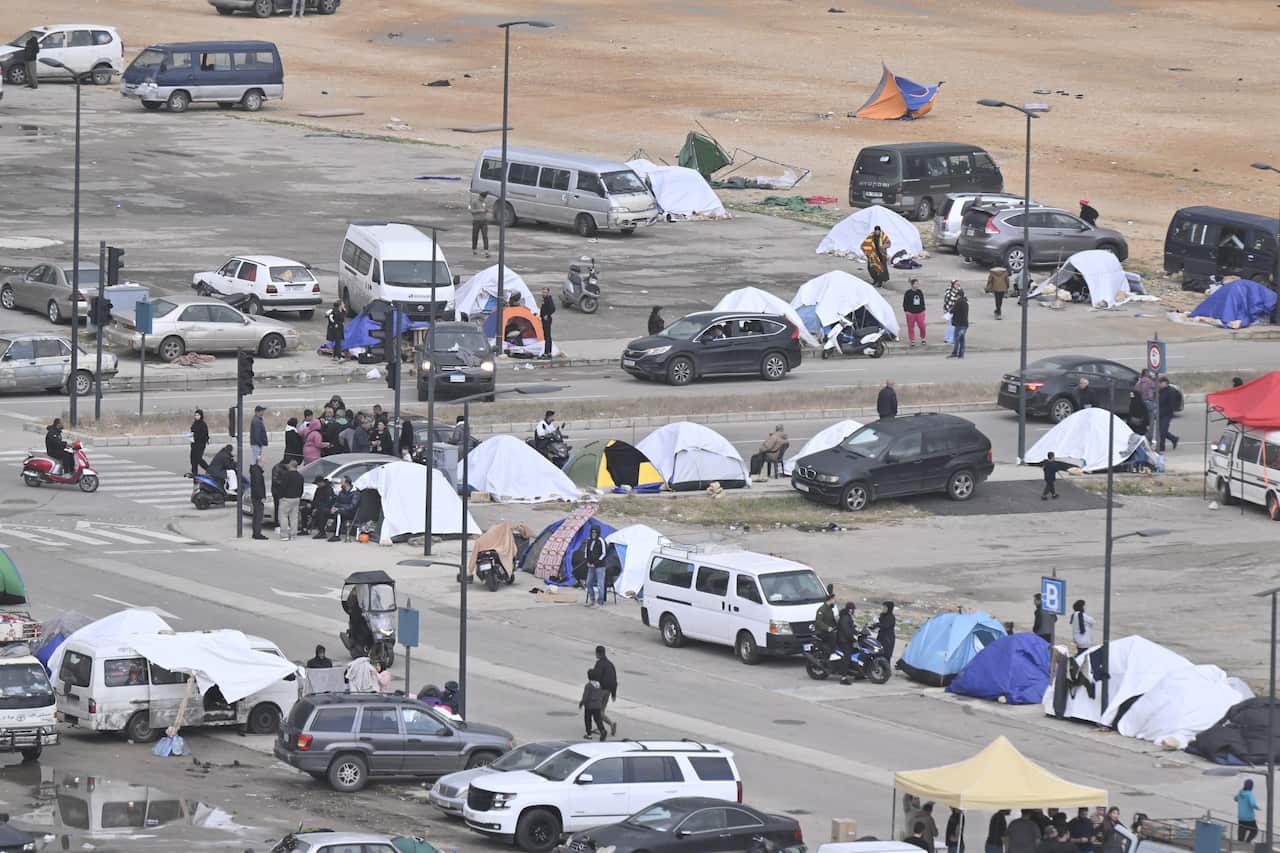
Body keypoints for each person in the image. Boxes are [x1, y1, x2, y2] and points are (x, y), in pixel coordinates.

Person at [589, 645, 619, 737]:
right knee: (602, 710)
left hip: (601, 690)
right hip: (609, 691)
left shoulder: (599, 664)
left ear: (598, 653)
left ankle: (611, 724)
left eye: (596, 653)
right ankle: (601, 726)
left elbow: (596, 677)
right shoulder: (610, 664)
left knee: (597, 711)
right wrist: (613, 694)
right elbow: (614, 680)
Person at [277, 460, 304, 541]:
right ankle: (293, 535)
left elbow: (282, 487)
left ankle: (284, 535)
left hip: (286, 498)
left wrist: (280, 496)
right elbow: (301, 488)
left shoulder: (286, 475)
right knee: (294, 518)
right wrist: (299, 496)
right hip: (296, 498)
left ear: (291, 465)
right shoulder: (300, 476)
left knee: (283, 516)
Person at [582, 526, 608, 607]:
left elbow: (604, 553)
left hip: (600, 566)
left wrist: (596, 563)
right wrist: (587, 561)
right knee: (588, 583)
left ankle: (599, 602)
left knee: (600, 584)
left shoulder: (601, 541)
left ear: (598, 533)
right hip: (591, 566)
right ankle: (592, 600)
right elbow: (586, 552)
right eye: (592, 532)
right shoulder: (589, 540)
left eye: (595, 532)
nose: (593, 534)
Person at [578, 670, 607, 741]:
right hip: (597, 705)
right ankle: (602, 730)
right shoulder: (599, 685)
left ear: (588, 677)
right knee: (598, 719)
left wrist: (581, 703)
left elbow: (585, 696)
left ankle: (589, 734)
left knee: (588, 719)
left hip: (589, 706)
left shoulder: (588, 686)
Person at [328, 477, 359, 542]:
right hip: (341, 509)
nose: (340, 483)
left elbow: (352, 506)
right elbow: (337, 501)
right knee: (325, 511)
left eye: (342, 482)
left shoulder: (355, 493)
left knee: (338, 513)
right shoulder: (342, 491)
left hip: (350, 512)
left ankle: (336, 535)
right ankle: (323, 531)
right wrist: (333, 507)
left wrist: (339, 508)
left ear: (347, 483)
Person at [836, 601, 857, 685]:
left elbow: (851, 628)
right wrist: (852, 638)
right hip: (843, 641)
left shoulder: (847, 617)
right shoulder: (845, 618)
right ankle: (843, 677)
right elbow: (846, 631)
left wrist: (857, 632)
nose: (854, 611)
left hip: (846, 639)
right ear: (850, 610)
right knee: (847, 657)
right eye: (853, 609)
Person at [1157, 377, 1179, 451]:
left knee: (1163, 431)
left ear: (1165, 383)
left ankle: (1162, 447)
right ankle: (1174, 439)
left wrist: (1169, 413)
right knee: (1161, 431)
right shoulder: (1160, 390)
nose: (1159, 384)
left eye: (1161, 383)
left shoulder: (1171, 391)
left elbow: (1171, 404)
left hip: (1167, 414)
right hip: (1160, 413)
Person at [903, 278, 927, 346]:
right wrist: (906, 311)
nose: (917, 285)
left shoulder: (919, 292)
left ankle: (923, 338)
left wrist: (923, 309)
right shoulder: (908, 292)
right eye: (915, 284)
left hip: (920, 312)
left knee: (922, 326)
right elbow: (905, 302)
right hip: (911, 313)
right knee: (910, 327)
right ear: (912, 285)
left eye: (917, 284)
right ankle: (912, 340)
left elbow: (922, 301)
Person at [1134, 369, 1157, 441]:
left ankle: (1142, 436)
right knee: (1151, 421)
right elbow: (1152, 392)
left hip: (1141, 403)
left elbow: (1136, 391)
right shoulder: (1150, 382)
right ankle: (1149, 437)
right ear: (1147, 374)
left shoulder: (1139, 382)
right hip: (1149, 402)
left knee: (1143, 420)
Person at [469, 191, 492, 256]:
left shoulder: (485, 202)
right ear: (480, 196)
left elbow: (488, 208)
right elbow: (471, 211)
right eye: (482, 198)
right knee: (475, 235)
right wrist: (479, 210)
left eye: (484, 198)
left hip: (484, 221)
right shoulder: (474, 202)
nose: (483, 199)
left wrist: (487, 210)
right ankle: (474, 249)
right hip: (476, 221)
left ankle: (486, 250)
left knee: (485, 236)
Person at [948, 288, 969, 359]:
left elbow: (952, 310)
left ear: (959, 296)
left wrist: (950, 310)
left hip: (959, 324)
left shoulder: (959, 302)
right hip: (965, 324)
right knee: (961, 339)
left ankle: (955, 353)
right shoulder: (966, 303)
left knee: (956, 339)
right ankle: (961, 354)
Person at [249, 462, 268, 540]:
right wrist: (262, 496)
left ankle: (256, 533)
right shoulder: (258, 473)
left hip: (255, 496)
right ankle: (257, 533)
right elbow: (258, 485)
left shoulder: (255, 471)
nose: (264, 464)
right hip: (258, 498)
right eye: (263, 462)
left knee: (256, 515)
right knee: (258, 516)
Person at [189, 409, 209, 478]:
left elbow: (204, 435)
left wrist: (196, 436)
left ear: (201, 416)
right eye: (195, 415)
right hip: (194, 444)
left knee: (198, 458)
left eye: (198, 415)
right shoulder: (194, 423)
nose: (196, 416)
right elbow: (192, 430)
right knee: (192, 458)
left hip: (200, 444)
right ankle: (194, 473)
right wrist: (190, 436)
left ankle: (208, 470)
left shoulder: (203, 424)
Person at [943, 279, 962, 344]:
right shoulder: (948, 291)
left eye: (958, 284)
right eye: (956, 284)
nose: (958, 285)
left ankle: (947, 338)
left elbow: (963, 298)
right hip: (950, 311)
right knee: (952, 325)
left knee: (951, 325)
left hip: (956, 311)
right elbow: (951, 300)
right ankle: (951, 339)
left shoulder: (959, 290)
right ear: (953, 285)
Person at [539, 286, 556, 359]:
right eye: (543, 292)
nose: (544, 293)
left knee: (547, 336)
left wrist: (547, 315)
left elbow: (553, 308)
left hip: (547, 320)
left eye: (545, 292)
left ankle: (548, 353)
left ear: (548, 293)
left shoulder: (549, 299)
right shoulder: (545, 299)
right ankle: (547, 352)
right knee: (546, 336)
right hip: (543, 319)